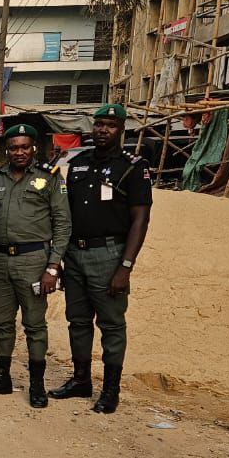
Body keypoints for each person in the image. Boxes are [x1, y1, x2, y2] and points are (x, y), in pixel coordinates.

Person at [50, 103, 152, 413]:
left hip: (109, 254)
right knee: (77, 321)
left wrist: (125, 267)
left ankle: (110, 391)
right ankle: (81, 380)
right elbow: (65, 215)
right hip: (75, 253)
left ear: (121, 129)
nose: (102, 130)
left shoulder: (133, 166)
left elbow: (140, 220)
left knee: (111, 324)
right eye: (98, 124)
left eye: (109, 125)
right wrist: (63, 258)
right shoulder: (78, 164)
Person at [0, 123, 71, 408]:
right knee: (1, 323)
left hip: (33, 261)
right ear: (7, 150)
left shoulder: (49, 178)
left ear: (33, 148)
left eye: (25, 147)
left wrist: (52, 266)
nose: (19, 152)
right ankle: (1, 377)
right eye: (14, 148)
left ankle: (37, 384)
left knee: (34, 325)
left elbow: (63, 224)